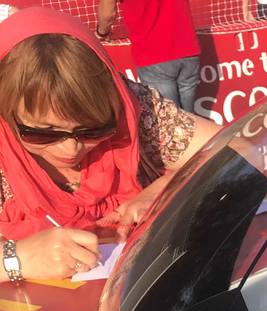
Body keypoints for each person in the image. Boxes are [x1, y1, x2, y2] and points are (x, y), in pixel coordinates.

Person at [0, 7, 218, 284]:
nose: (71, 150)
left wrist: (168, 189)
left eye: (94, 129)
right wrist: (16, 258)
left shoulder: (133, 109)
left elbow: (238, 148)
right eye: (43, 134)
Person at [97, 0, 201, 113]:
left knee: (170, 117)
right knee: (190, 116)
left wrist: (101, 33)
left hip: (154, 53)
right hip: (188, 47)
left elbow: (108, 13)